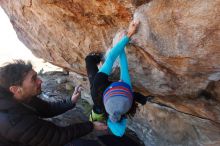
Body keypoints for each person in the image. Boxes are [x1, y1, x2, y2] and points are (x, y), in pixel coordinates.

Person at [0, 60, 107, 146]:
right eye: (33, 79)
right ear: (15, 89)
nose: (40, 81)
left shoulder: (24, 96)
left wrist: (70, 101)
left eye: (36, 76)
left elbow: (47, 109)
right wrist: (91, 126)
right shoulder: (12, 122)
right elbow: (56, 137)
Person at [85, 20, 148, 137]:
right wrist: (123, 39)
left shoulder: (127, 105)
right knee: (89, 60)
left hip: (107, 87)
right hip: (103, 88)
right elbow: (112, 57)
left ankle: (96, 59)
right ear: (109, 121)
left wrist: (128, 36)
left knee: (94, 61)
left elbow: (124, 65)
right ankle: (94, 60)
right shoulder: (98, 98)